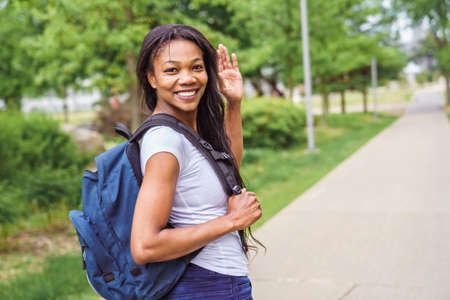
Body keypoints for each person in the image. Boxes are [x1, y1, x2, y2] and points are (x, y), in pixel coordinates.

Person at [130, 24, 262, 300]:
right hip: (206, 286)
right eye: (172, 70)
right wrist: (232, 221)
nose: (187, 78)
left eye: (196, 67)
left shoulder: (183, 133)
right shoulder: (165, 143)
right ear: (151, 78)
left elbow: (227, 170)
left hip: (218, 283)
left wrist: (234, 104)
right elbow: (145, 246)